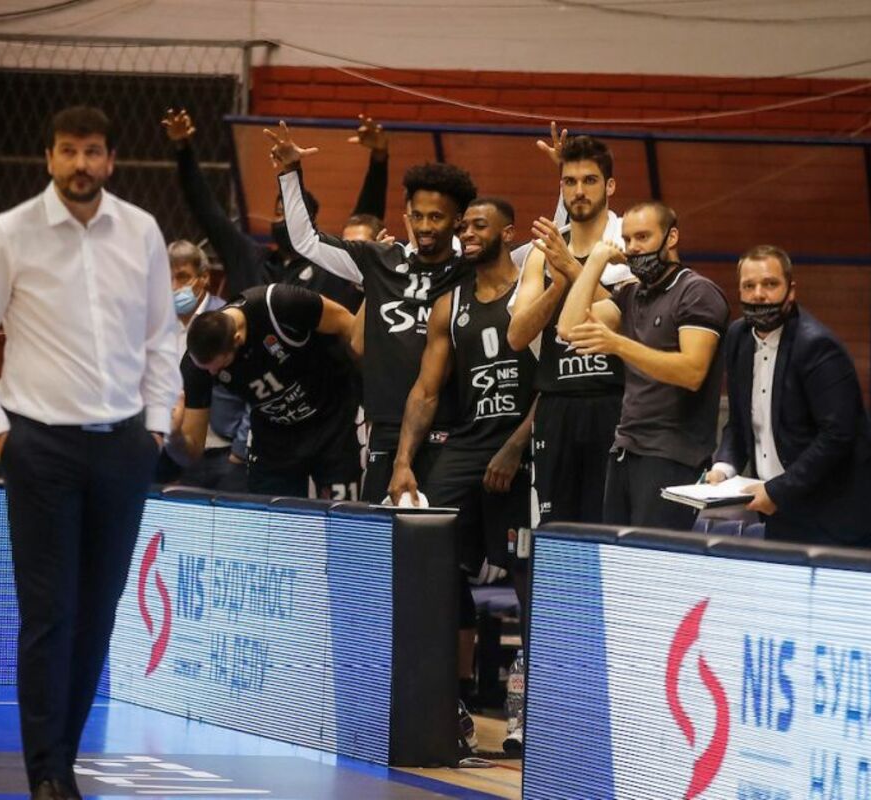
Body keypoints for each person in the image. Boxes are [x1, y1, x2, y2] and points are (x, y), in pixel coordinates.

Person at [0, 105, 179, 800]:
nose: (80, 164)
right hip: (39, 444)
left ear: (111, 160)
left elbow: (161, 338)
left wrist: (155, 429)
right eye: (68, 150)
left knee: (99, 611)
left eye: (92, 151)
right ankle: (47, 772)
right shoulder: (9, 234)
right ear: (49, 158)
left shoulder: (141, 231)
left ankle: (64, 756)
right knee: (49, 612)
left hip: (123, 445)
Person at [387, 198, 537, 752]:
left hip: (525, 447)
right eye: (464, 226)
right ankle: (447, 703)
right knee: (427, 549)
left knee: (528, 579)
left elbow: (554, 384)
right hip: (469, 443)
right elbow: (426, 391)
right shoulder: (450, 304)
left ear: (508, 232)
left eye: (479, 226)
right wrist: (403, 461)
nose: (467, 233)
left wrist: (516, 447)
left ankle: (526, 708)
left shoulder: (532, 291)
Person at [267, 121, 476, 502]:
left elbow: (540, 254)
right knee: (378, 535)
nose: (424, 226)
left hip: (453, 430)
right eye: (417, 215)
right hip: (385, 427)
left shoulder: (474, 269)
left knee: (440, 536)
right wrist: (290, 172)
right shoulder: (378, 260)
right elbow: (306, 241)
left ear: (458, 220)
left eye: (436, 217)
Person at [707, 246, 871, 545]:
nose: (759, 294)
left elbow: (837, 435)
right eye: (749, 286)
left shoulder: (817, 345)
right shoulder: (737, 337)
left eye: (770, 284)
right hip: (779, 503)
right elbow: (738, 422)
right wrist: (723, 467)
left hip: (835, 506)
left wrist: (777, 490)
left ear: (791, 290)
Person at [557, 201, 729, 530]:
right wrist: (595, 262)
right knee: (619, 554)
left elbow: (692, 372)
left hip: (672, 453)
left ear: (671, 237)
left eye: (643, 237)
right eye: (627, 239)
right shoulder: (631, 294)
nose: (634, 247)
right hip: (625, 447)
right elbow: (568, 328)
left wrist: (618, 344)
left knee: (654, 555)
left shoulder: (696, 292)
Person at [507, 134, 631, 525]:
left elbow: (631, 319)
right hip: (557, 403)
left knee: (607, 526)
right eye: (570, 181)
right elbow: (516, 335)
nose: (579, 191)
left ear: (610, 186)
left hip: (614, 398)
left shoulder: (628, 241)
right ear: (560, 187)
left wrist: (573, 269)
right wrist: (557, 285)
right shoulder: (542, 252)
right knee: (554, 531)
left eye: (590, 180)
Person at [162, 108, 366, 311]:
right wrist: (183, 149)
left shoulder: (327, 267)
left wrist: (378, 159)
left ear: (309, 221)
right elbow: (207, 211)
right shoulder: (249, 258)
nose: (283, 219)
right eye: (279, 213)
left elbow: (364, 219)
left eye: (290, 213)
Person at [173, 284, 361, 499]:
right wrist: (175, 434)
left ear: (237, 340)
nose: (212, 373)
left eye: (219, 367)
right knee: (269, 515)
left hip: (332, 419)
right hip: (275, 437)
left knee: (343, 513)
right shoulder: (197, 366)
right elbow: (193, 450)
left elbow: (351, 328)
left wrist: (370, 395)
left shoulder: (280, 304)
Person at [161, 240, 248, 491]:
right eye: (167, 279)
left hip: (224, 451)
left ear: (204, 277)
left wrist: (239, 450)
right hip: (174, 448)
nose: (174, 287)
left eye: (182, 277)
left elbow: (255, 388)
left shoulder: (226, 319)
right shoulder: (158, 326)